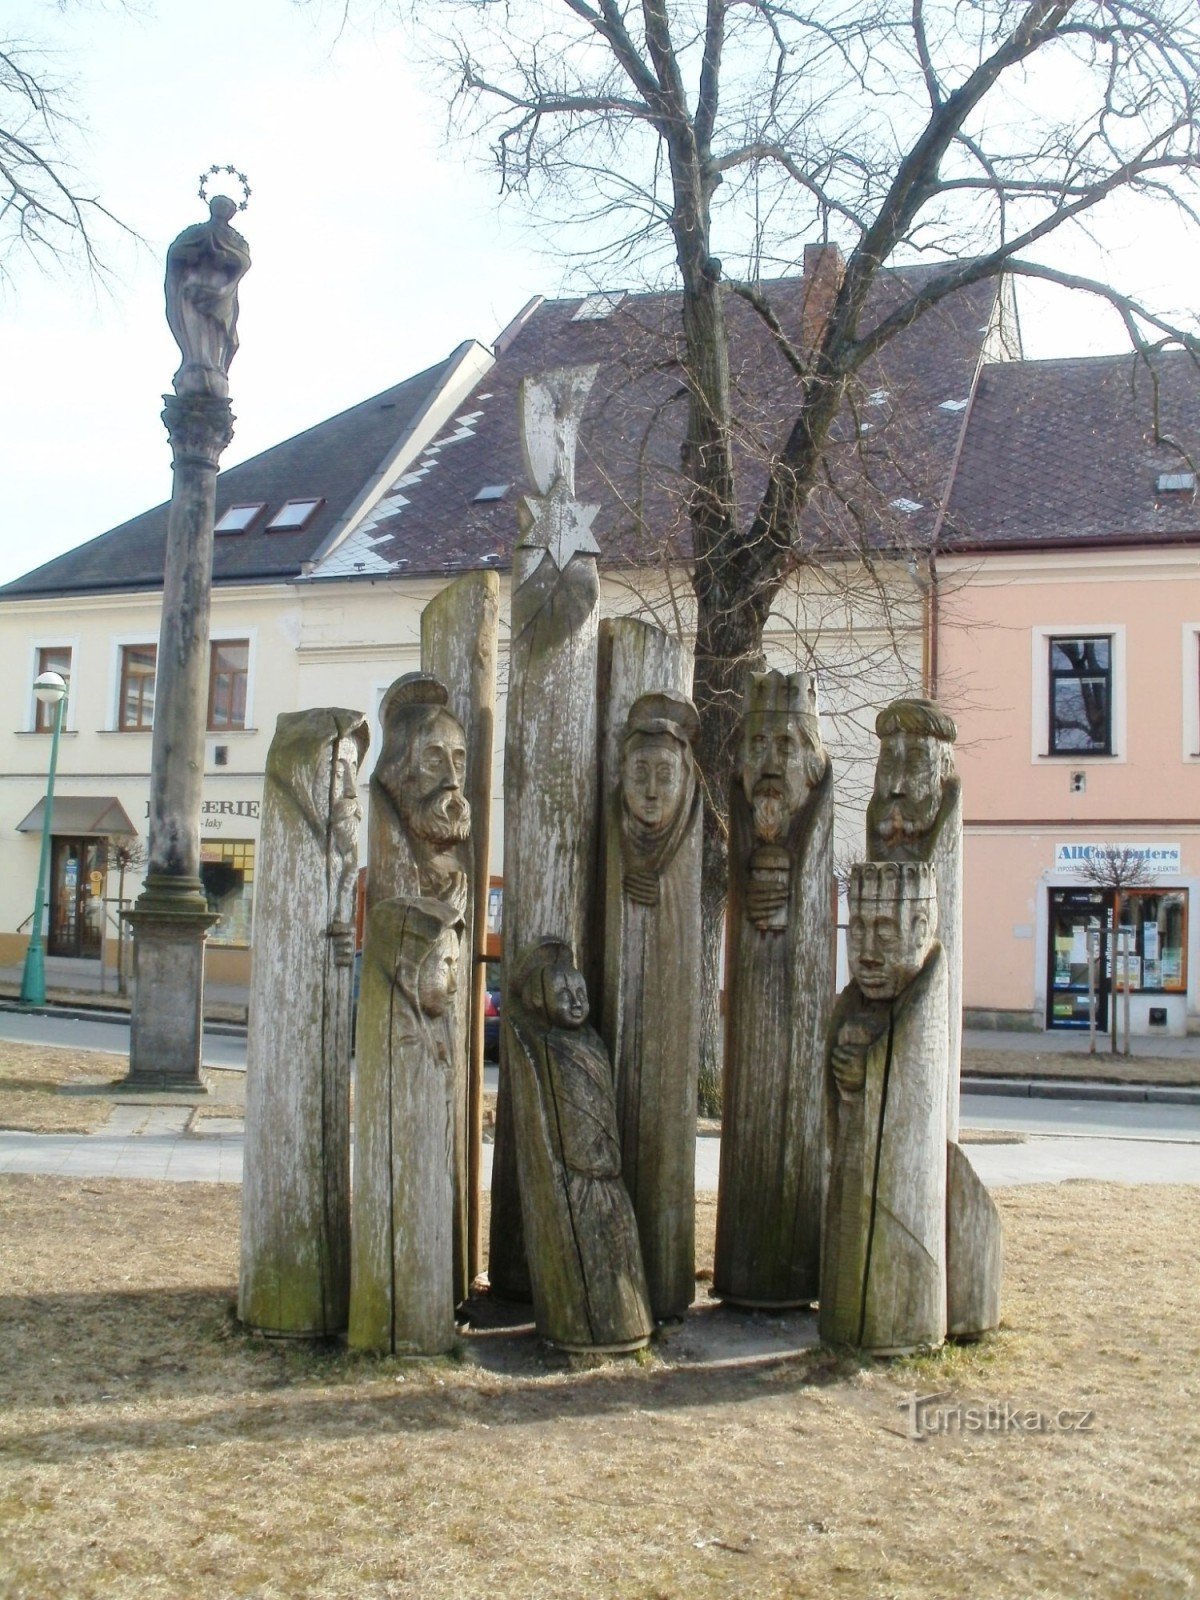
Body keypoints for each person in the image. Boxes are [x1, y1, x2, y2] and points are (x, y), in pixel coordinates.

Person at [164, 195, 251, 397]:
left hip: (222, 292)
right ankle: (197, 361)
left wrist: (226, 258)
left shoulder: (236, 239)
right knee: (196, 329)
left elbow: (244, 262)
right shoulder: (195, 232)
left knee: (219, 332)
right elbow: (175, 253)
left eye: (226, 207)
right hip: (194, 288)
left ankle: (215, 366)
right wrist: (193, 253)